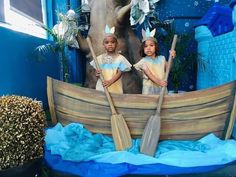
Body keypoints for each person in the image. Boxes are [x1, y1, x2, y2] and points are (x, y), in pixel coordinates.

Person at [90, 26, 132, 94]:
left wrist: (110, 81)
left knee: (115, 101)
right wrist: (97, 73)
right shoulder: (99, 58)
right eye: (107, 42)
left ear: (117, 44)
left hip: (115, 87)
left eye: (112, 42)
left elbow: (120, 73)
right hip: (102, 86)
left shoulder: (120, 58)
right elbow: (96, 72)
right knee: (102, 102)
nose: (110, 44)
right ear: (103, 45)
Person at [134, 28, 176, 95]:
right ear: (143, 49)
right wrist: (159, 82)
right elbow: (149, 74)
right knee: (150, 103)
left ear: (155, 47)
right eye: (145, 46)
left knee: (163, 104)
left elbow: (168, 68)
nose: (148, 48)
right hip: (149, 89)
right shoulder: (143, 61)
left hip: (161, 88)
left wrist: (172, 57)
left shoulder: (162, 58)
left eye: (151, 45)